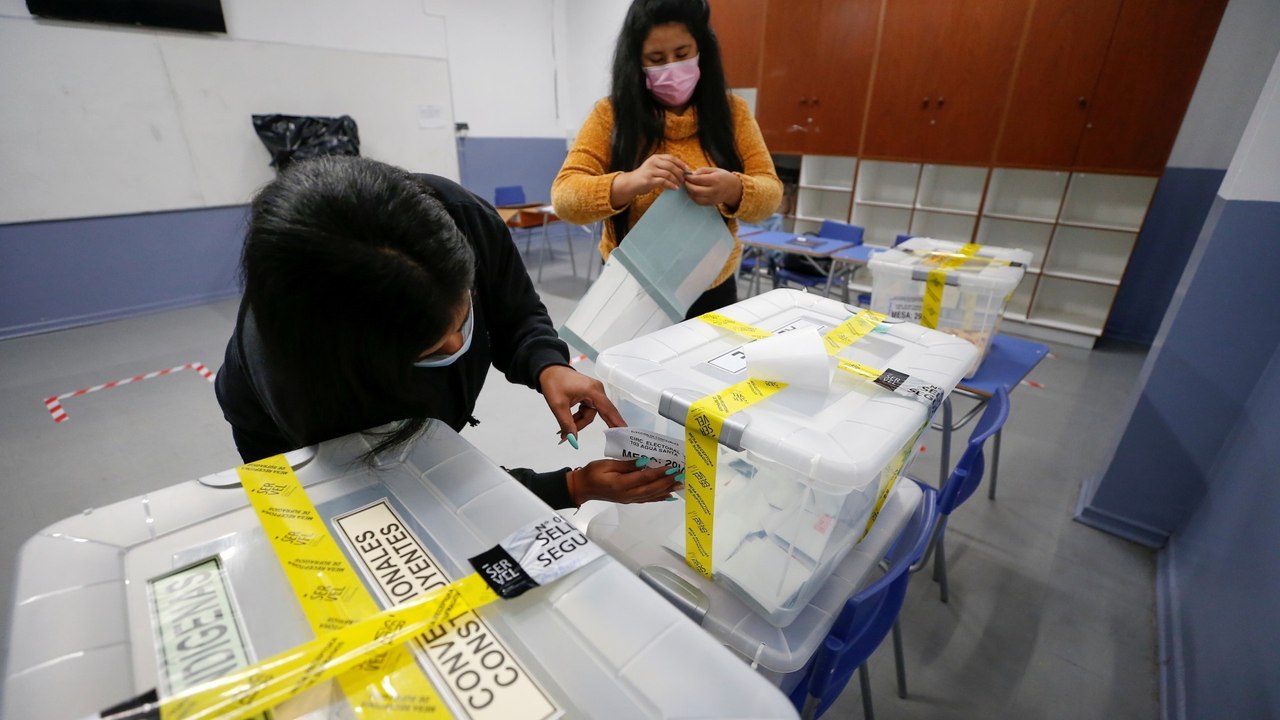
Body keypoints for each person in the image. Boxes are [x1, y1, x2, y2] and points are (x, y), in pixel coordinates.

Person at [214, 156, 681, 509]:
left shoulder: (455, 216)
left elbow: (515, 308)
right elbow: (414, 491)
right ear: (366, 360)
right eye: (434, 346)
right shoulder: (310, 392)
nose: (461, 346)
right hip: (305, 453)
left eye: (465, 318)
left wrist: (547, 363)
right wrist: (570, 487)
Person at [551, 0, 782, 318]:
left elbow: (770, 193)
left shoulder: (734, 113)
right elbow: (565, 198)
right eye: (656, 59)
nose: (672, 68)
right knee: (630, 368)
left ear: (702, 49)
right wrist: (630, 182)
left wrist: (733, 188)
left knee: (704, 368)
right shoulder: (610, 116)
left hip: (711, 287)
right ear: (636, 61)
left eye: (683, 54)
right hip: (632, 288)